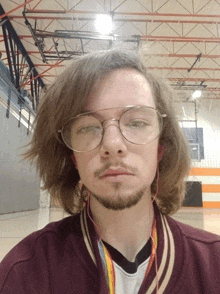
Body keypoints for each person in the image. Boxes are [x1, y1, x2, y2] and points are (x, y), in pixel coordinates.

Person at [0, 49, 219, 294]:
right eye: (88, 127)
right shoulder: (23, 273)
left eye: (136, 123)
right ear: (73, 157)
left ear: (160, 147)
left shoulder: (214, 266)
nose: (112, 145)